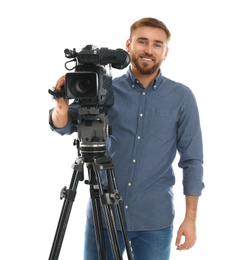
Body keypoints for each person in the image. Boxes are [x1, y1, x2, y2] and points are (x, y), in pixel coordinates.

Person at [49, 17, 204, 260]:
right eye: (142, 41)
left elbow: (193, 161)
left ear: (166, 52)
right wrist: (61, 106)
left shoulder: (182, 97)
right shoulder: (103, 89)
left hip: (155, 221)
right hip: (102, 216)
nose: (148, 50)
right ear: (129, 45)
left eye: (157, 44)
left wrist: (191, 219)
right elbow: (65, 125)